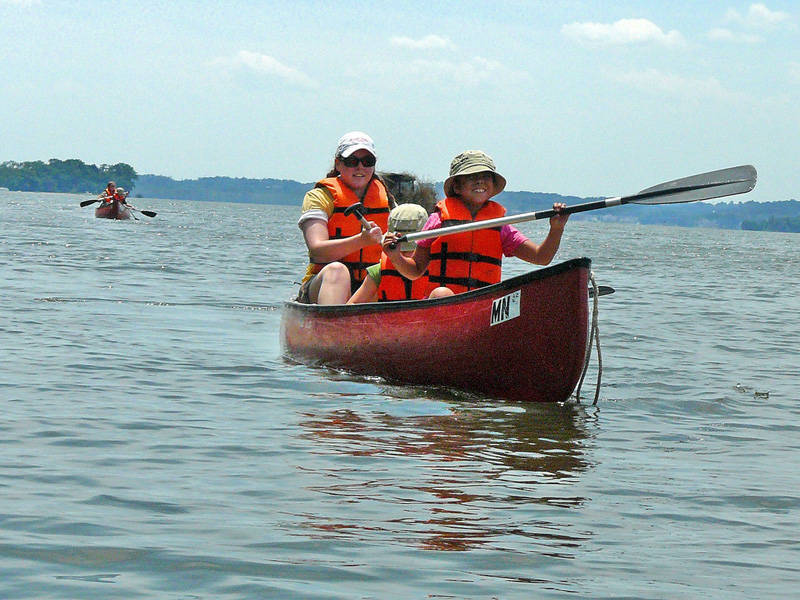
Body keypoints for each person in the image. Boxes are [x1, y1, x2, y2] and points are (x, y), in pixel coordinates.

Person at [383, 150, 569, 297]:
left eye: (485, 176)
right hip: (442, 305)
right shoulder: (438, 221)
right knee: (442, 292)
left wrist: (557, 229)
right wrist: (396, 257)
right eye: (472, 176)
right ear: (457, 186)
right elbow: (415, 271)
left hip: (482, 305)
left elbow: (541, 257)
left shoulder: (500, 226)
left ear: (493, 185)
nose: (480, 180)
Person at [296, 131, 392, 304]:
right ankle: (332, 328)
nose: (360, 167)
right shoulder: (319, 197)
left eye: (367, 162)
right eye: (352, 161)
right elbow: (317, 251)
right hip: (325, 283)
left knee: (386, 274)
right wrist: (361, 241)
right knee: (337, 271)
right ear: (338, 164)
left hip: (368, 285)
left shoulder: (387, 199)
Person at [347, 203, 430, 304]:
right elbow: (350, 308)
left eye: (411, 250)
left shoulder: (436, 269)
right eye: (400, 249)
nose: (406, 255)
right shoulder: (378, 271)